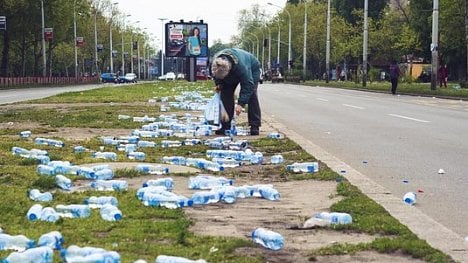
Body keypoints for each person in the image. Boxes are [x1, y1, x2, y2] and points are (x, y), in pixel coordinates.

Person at [210, 48, 261, 136]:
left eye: (223, 76)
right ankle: (226, 125)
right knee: (225, 95)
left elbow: (247, 85)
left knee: (251, 95)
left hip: (252, 68)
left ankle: (254, 125)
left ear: (228, 70)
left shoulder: (242, 68)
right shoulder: (214, 63)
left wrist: (241, 104)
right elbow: (215, 75)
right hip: (230, 72)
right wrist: (219, 84)